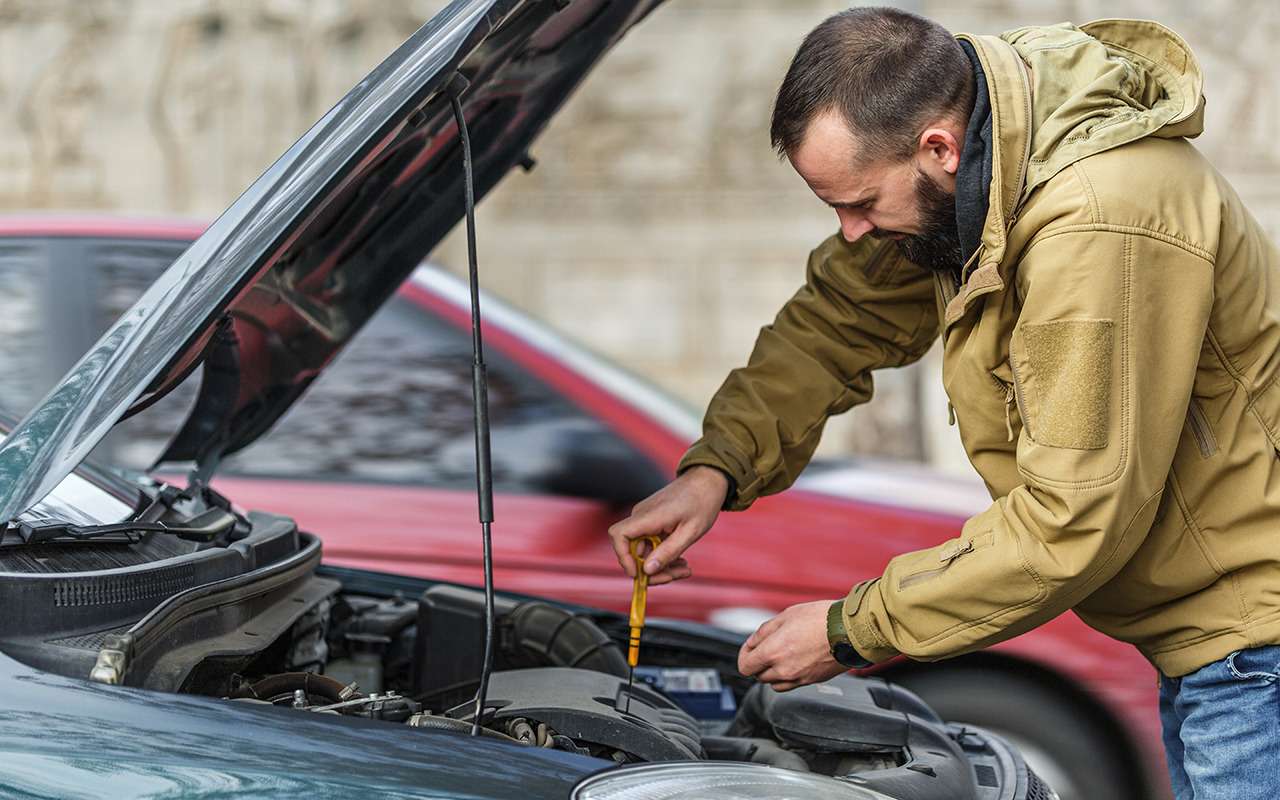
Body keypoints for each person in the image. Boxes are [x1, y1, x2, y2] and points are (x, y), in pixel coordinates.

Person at [607, 8, 1280, 798]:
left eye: (860, 203)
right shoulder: (978, 167)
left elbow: (1070, 518)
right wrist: (713, 472)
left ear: (938, 147)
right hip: (1214, 645)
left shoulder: (1099, 224)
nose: (852, 233)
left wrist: (849, 631)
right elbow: (836, 321)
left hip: (1254, 651)